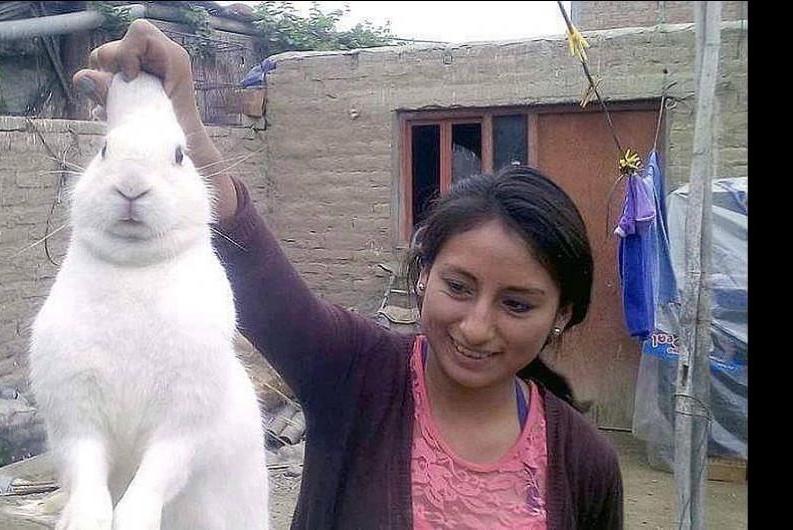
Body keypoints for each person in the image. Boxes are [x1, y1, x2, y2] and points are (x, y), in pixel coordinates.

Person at [73, 19, 624, 530]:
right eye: (458, 287)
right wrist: (182, 118)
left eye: (517, 304)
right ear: (423, 274)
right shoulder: (355, 375)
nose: (477, 327)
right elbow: (259, 280)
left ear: (564, 313)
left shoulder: (585, 465)